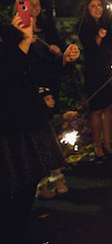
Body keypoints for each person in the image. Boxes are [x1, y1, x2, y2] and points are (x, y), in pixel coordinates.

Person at [0, 13, 78, 242]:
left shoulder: (8, 33)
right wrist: (22, 42)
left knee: (28, 184)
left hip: (28, 120)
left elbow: (36, 68)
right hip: (7, 127)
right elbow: (7, 74)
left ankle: (18, 232)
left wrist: (63, 60)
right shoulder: (15, 39)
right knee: (9, 191)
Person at [79, 0, 112, 159]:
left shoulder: (107, 24)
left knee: (109, 106)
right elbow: (89, 48)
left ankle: (108, 142)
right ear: (87, 10)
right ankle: (97, 145)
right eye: (93, 6)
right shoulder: (84, 27)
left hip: (107, 70)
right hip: (94, 72)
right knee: (97, 109)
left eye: (100, 5)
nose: (98, 9)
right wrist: (99, 36)